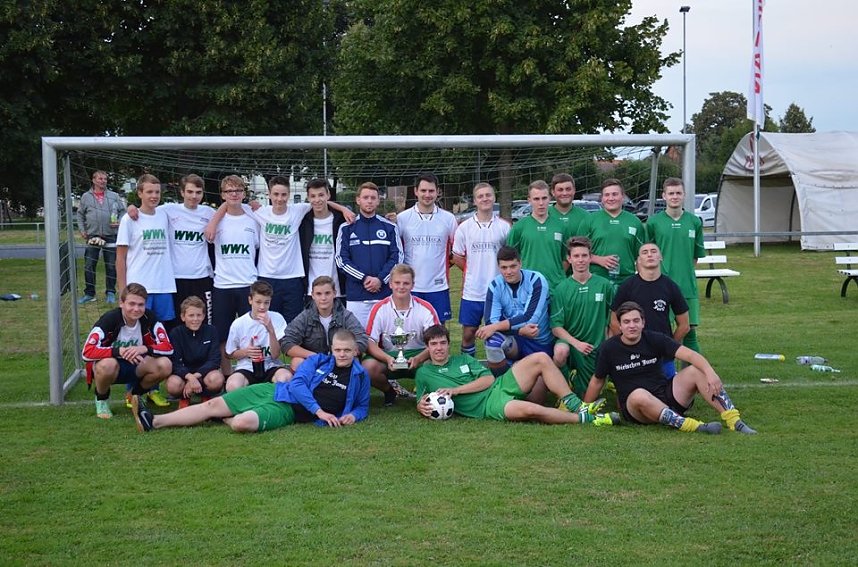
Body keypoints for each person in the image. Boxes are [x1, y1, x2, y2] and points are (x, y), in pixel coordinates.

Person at [132, 329, 370, 434]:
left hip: (287, 410)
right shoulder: (318, 361)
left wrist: (353, 415)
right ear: (332, 349)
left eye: (347, 350)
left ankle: (225, 418)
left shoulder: (360, 377)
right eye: (338, 349)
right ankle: (154, 421)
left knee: (240, 424)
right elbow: (296, 385)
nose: (342, 354)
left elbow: (362, 406)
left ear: (355, 351)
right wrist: (319, 412)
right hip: (275, 391)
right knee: (210, 405)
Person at [583, 301, 757, 435]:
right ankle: (692, 426)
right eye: (626, 322)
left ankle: (734, 420)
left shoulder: (655, 338)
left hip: (666, 394)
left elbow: (691, 356)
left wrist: (711, 373)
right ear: (619, 326)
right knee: (638, 394)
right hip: (637, 408)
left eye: (636, 320)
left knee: (695, 370)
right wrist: (585, 409)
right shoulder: (609, 348)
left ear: (643, 323)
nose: (632, 325)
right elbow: (597, 381)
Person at [415, 325, 615, 425]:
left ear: (449, 344)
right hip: (489, 406)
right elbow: (421, 401)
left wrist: (456, 390)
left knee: (541, 358)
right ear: (428, 347)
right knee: (531, 410)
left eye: (442, 343)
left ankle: (576, 404)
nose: (439, 348)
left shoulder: (463, 360)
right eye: (434, 344)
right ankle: (587, 419)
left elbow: (488, 379)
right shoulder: (424, 373)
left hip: (499, 386)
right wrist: (421, 407)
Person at [126, 173, 215, 325]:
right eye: (190, 192)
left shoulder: (209, 213)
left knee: (203, 320)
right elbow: (147, 208)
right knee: (177, 322)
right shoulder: (168, 210)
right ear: (182, 192)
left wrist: (252, 205)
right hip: (175, 278)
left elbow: (231, 211)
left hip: (201, 277)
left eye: (198, 192)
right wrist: (132, 207)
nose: (194, 196)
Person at [82, 283, 173, 419]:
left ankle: (134, 395)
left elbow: (168, 347)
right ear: (121, 303)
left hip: (138, 364)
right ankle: (101, 399)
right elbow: (87, 352)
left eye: (141, 305)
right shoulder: (109, 319)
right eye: (131, 304)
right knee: (107, 365)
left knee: (165, 365)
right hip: (112, 366)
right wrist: (118, 351)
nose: (136, 309)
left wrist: (144, 348)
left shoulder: (149, 318)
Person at [477, 246, 555, 393]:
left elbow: (530, 318)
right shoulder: (495, 285)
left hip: (540, 342)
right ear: (499, 267)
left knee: (536, 398)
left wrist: (496, 327)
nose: (508, 271)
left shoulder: (536, 279)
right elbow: (490, 322)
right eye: (504, 267)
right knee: (493, 341)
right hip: (516, 342)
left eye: (513, 266)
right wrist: (519, 331)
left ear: (520, 263)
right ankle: (501, 387)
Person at [363, 264, 439, 406]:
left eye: (406, 283)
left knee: (436, 361)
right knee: (368, 367)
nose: (401, 287)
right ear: (390, 284)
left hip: (419, 356)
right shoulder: (379, 308)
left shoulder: (425, 308)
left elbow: (437, 341)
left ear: (412, 285)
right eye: (397, 283)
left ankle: (426, 396)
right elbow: (369, 342)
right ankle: (389, 391)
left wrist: (418, 358)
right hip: (389, 356)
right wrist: (387, 358)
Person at [645, 177, 706, 353]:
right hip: (660, 287)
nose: (674, 197)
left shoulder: (694, 222)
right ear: (664, 196)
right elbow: (647, 254)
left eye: (678, 193)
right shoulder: (653, 223)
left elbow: (695, 257)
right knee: (659, 331)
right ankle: (663, 374)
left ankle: (692, 377)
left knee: (689, 332)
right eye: (671, 193)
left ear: (684, 195)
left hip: (687, 287)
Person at [611, 243, 689, 378]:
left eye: (653, 251)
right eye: (645, 252)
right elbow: (613, 321)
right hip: (634, 353)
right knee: (630, 394)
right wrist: (627, 344)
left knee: (669, 395)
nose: (649, 254)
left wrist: (669, 345)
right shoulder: (628, 286)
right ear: (639, 260)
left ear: (661, 257)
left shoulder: (670, 286)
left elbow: (684, 325)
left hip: (662, 354)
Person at [207, 175, 260, 375]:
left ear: (244, 193)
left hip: (248, 283)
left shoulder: (253, 218)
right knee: (222, 335)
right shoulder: (215, 220)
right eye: (229, 191)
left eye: (238, 190)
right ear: (222, 195)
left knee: (251, 332)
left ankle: (252, 372)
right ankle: (227, 374)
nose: (234, 194)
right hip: (222, 285)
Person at [451, 182, 510, 357]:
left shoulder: (504, 227)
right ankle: (468, 370)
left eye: (488, 195)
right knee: (469, 333)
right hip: (473, 292)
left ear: (494, 198)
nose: (485, 198)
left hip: (498, 292)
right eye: (480, 196)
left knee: (499, 336)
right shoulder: (465, 228)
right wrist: (472, 271)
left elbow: (510, 256)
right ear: (475, 201)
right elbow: (457, 256)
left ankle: (500, 372)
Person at [551, 237, 614, 397]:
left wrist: (608, 343)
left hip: (596, 347)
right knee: (560, 352)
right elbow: (556, 327)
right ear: (569, 258)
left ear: (590, 258)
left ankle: (577, 381)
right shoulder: (561, 288)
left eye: (584, 256)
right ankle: (565, 391)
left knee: (588, 395)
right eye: (576, 256)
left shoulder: (604, 285)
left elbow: (614, 318)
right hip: (572, 344)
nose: (580, 260)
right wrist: (576, 343)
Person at [335, 181, 403, 327]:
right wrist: (364, 278)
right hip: (357, 297)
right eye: (365, 197)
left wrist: (380, 279)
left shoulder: (390, 227)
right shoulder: (346, 228)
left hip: (384, 295)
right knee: (357, 343)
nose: (369, 201)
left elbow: (397, 258)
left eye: (373, 198)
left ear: (378, 200)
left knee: (386, 342)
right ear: (358, 200)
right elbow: (341, 260)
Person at [396, 173, 458, 322]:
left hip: (438, 287)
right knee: (409, 331)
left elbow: (457, 251)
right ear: (416, 191)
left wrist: (444, 267)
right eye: (423, 191)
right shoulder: (402, 218)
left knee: (438, 332)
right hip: (411, 287)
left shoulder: (448, 219)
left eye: (431, 191)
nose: (427, 195)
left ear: (438, 192)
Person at [280, 276, 369, 372]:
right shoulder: (305, 317)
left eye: (327, 293)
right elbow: (287, 342)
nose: (323, 298)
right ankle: (309, 386)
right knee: (297, 362)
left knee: (354, 362)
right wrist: (315, 356)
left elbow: (362, 339)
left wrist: (341, 355)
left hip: (341, 360)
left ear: (334, 293)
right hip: (315, 362)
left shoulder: (346, 316)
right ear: (313, 295)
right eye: (319, 294)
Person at [224, 280, 290, 392]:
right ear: (250, 300)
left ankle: (272, 403)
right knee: (232, 385)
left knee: (286, 379)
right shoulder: (239, 323)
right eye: (258, 302)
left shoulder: (277, 318)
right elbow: (229, 354)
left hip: (270, 365)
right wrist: (246, 352)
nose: (262, 307)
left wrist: (271, 330)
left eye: (266, 302)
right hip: (247, 367)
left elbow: (275, 355)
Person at [580, 178, 645, 288]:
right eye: (607, 195)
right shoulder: (589, 220)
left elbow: (640, 256)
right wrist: (599, 259)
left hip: (626, 281)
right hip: (596, 280)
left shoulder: (635, 222)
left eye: (614, 194)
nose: (611, 198)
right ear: (602, 198)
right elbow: (577, 252)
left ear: (622, 196)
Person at [506, 180, 570, 290]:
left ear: (550, 198)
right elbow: (509, 258)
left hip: (556, 288)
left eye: (544, 198)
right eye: (536, 199)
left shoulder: (561, 226)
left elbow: (567, 258)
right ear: (529, 200)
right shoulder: (519, 227)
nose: (541, 203)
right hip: (528, 289)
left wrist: (556, 276)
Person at [166, 296, 224, 408]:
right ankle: (184, 396)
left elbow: (215, 360)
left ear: (203, 316)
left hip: (205, 374)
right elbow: (175, 362)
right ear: (183, 317)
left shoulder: (211, 331)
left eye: (199, 315)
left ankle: (205, 394)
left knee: (217, 379)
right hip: (184, 375)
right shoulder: (176, 333)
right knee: (172, 385)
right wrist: (189, 377)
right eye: (191, 315)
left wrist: (196, 376)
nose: (195, 319)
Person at [77, 170, 124, 304]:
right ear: (94, 180)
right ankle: (89, 293)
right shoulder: (86, 197)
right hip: (92, 235)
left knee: (111, 265)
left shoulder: (114, 196)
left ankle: (110, 292)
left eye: (105, 179)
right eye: (100, 179)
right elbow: (80, 215)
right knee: (89, 265)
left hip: (111, 235)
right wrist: (82, 230)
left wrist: (119, 221)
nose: (103, 181)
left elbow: (122, 211)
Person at [298, 178, 348, 307]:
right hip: (311, 290)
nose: (317, 200)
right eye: (313, 196)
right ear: (308, 198)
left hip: (337, 288)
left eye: (321, 195)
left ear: (328, 195)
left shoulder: (341, 220)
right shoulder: (302, 221)